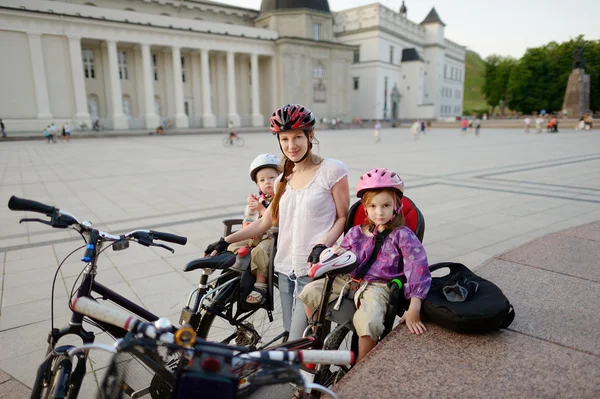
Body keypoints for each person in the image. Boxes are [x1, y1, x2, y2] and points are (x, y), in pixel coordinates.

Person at [204, 104, 349, 340]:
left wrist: (322, 244)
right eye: (285, 139)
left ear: (310, 137)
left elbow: (343, 217)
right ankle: (310, 370)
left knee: (297, 340)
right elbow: (265, 222)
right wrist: (224, 241)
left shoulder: (331, 170)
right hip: (283, 268)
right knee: (290, 329)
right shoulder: (282, 180)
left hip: (312, 269)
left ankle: (309, 374)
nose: (291, 146)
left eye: (297, 137)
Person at [299, 168, 431, 363]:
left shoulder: (403, 235)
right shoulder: (356, 232)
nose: (380, 212)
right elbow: (343, 252)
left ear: (397, 206)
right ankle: (317, 329)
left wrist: (414, 306)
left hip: (378, 287)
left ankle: (361, 368)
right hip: (348, 280)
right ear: (365, 208)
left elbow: (417, 267)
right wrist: (338, 254)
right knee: (309, 292)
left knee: (369, 323)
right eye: (373, 206)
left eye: (386, 205)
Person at [226, 153, 281, 304]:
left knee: (260, 251)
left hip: (273, 238)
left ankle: (260, 284)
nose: (267, 182)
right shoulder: (262, 199)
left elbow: (274, 221)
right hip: (255, 235)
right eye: (262, 180)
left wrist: (262, 209)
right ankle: (228, 276)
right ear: (258, 185)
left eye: (272, 178)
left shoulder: (282, 198)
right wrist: (252, 208)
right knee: (233, 245)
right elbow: (250, 220)